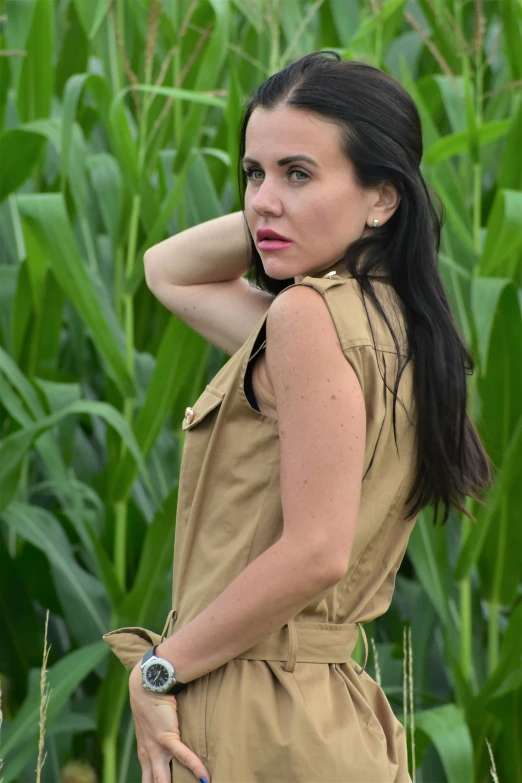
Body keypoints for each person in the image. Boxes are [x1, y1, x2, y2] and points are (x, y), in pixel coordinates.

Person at [103, 51, 492, 782]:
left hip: (255, 714)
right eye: (254, 173)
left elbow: (318, 549)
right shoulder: (399, 326)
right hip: (325, 715)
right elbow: (167, 269)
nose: (262, 199)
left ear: (384, 197)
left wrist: (159, 669)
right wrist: (288, 217)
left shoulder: (307, 319)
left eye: (299, 173)